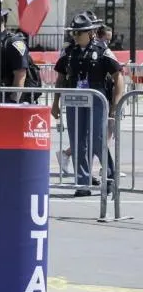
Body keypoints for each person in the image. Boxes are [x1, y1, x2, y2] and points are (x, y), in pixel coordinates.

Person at [51, 11, 122, 198]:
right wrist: (56, 103)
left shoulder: (102, 50)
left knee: (98, 139)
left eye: (79, 33)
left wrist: (114, 106)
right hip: (74, 99)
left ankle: (110, 175)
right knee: (77, 140)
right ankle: (82, 182)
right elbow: (60, 77)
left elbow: (118, 75)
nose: (75, 36)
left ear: (90, 33)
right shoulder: (69, 52)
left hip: (96, 98)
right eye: (73, 33)